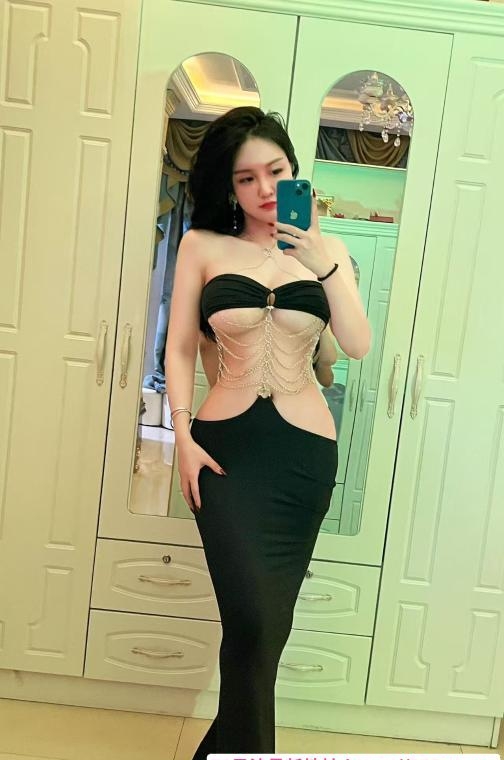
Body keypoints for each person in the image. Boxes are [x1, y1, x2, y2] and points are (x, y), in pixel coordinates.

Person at [165, 106, 370, 756]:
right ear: (229, 186)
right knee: (252, 622)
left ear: (294, 172)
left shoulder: (330, 253)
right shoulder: (202, 247)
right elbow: (179, 348)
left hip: (304, 459)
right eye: (246, 177)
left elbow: (357, 344)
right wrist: (181, 438)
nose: (263, 188)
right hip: (224, 454)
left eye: (275, 172)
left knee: (263, 635)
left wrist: (321, 260)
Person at [199, 323, 338, 389]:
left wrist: (321, 325)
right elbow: (216, 384)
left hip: (305, 410)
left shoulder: (313, 330)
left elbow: (327, 379)